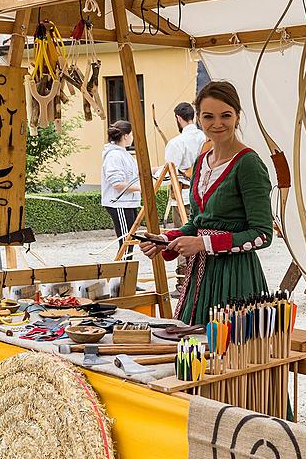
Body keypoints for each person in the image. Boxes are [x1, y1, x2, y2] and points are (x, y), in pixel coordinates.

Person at [140, 81, 273, 325]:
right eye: (208, 116)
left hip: (235, 279)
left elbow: (262, 235)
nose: (217, 123)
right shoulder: (201, 162)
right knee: (193, 351)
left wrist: (203, 244)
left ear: (237, 116)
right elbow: (198, 223)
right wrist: (166, 240)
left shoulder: (248, 164)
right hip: (199, 279)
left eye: (226, 115)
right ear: (199, 119)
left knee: (230, 352)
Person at [162, 102, 205, 298]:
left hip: (184, 195)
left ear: (179, 118)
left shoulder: (177, 142)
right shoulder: (205, 138)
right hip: (203, 196)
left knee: (182, 238)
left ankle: (183, 283)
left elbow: (170, 170)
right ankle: (198, 278)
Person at [101, 120, 141, 261]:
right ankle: (121, 280)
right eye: (131, 135)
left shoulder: (123, 154)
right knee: (126, 244)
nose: (132, 138)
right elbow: (117, 183)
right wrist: (142, 189)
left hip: (128, 202)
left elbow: (137, 173)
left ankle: (125, 279)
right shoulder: (114, 155)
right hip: (119, 203)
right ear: (125, 136)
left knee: (129, 244)